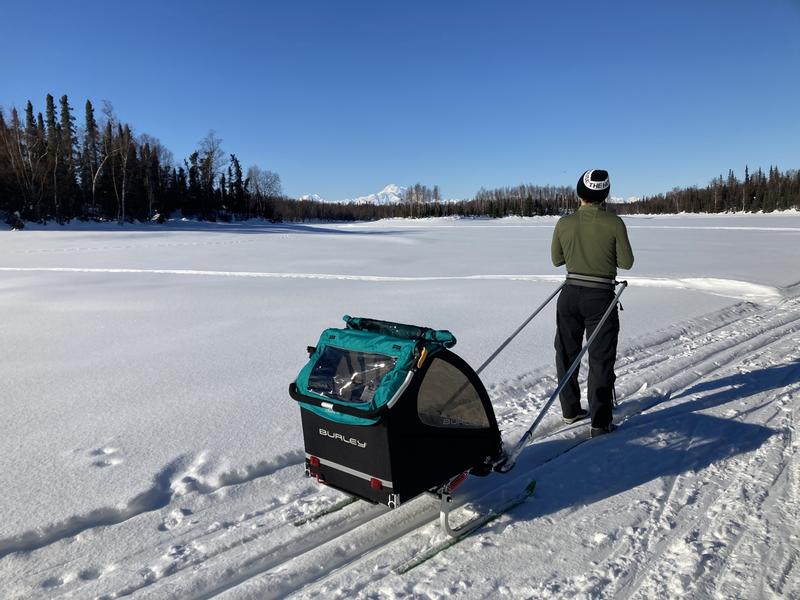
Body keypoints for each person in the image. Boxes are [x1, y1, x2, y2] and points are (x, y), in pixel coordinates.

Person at [550, 169, 633, 437]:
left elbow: (556, 260)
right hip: (600, 296)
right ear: (605, 194)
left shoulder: (564, 223)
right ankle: (600, 421)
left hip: (570, 294)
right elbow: (627, 262)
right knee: (600, 358)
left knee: (566, 353)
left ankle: (570, 410)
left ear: (579, 192)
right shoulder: (614, 223)